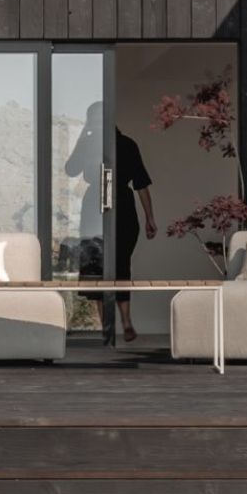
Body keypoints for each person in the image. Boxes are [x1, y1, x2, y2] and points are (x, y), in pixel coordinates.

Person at [111, 127, 156, 344]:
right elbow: (141, 184)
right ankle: (123, 322)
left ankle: (115, 325)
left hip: (117, 207)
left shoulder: (125, 145)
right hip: (117, 206)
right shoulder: (127, 143)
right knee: (119, 265)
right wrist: (149, 218)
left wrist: (149, 218)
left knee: (101, 267)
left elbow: (140, 182)